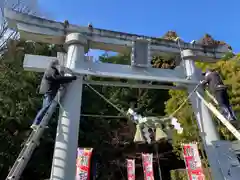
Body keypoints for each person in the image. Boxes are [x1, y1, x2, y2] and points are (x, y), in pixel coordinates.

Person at [31, 59, 77, 130]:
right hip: (50, 92)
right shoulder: (51, 70)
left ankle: (39, 123)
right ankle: (36, 123)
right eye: (57, 64)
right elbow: (57, 78)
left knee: (46, 108)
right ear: (54, 64)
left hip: (50, 92)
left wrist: (69, 79)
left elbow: (59, 79)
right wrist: (71, 78)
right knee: (46, 107)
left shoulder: (51, 70)